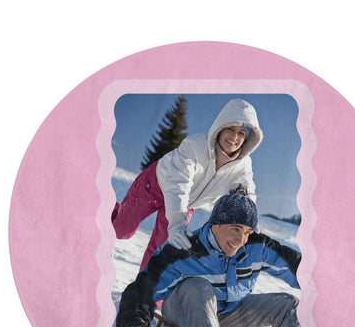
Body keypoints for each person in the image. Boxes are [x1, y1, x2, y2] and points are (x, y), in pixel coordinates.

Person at [113, 186, 302, 327]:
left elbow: (299, 268)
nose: (240, 239)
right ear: (216, 224)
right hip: (183, 308)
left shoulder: (256, 247)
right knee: (199, 287)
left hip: (227, 310)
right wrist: (135, 324)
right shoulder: (184, 250)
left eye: (247, 232)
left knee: (289, 306)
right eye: (235, 229)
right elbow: (143, 288)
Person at [112, 98, 263, 269]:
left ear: (247, 138)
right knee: (121, 231)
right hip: (154, 186)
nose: (234, 137)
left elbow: (246, 193)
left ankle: (146, 286)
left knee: (162, 250)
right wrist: (176, 223)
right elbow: (178, 184)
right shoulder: (195, 145)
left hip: (186, 204)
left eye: (241, 133)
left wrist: (249, 221)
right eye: (230, 128)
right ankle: (106, 209)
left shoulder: (243, 165)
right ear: (220, 127)